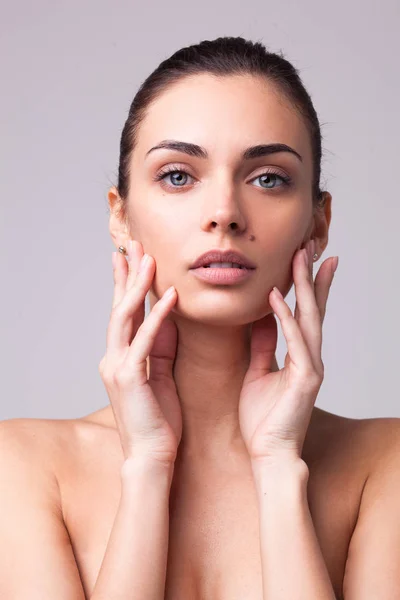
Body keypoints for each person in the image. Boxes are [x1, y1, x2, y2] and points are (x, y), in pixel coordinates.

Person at [1, 35, 399, 600]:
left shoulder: (386, 466)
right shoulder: (20, 468)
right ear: (121, 217)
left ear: (318, 222)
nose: (224, 214)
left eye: (268, 178)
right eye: (179, 175)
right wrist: (146, 468)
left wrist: (279, 469)